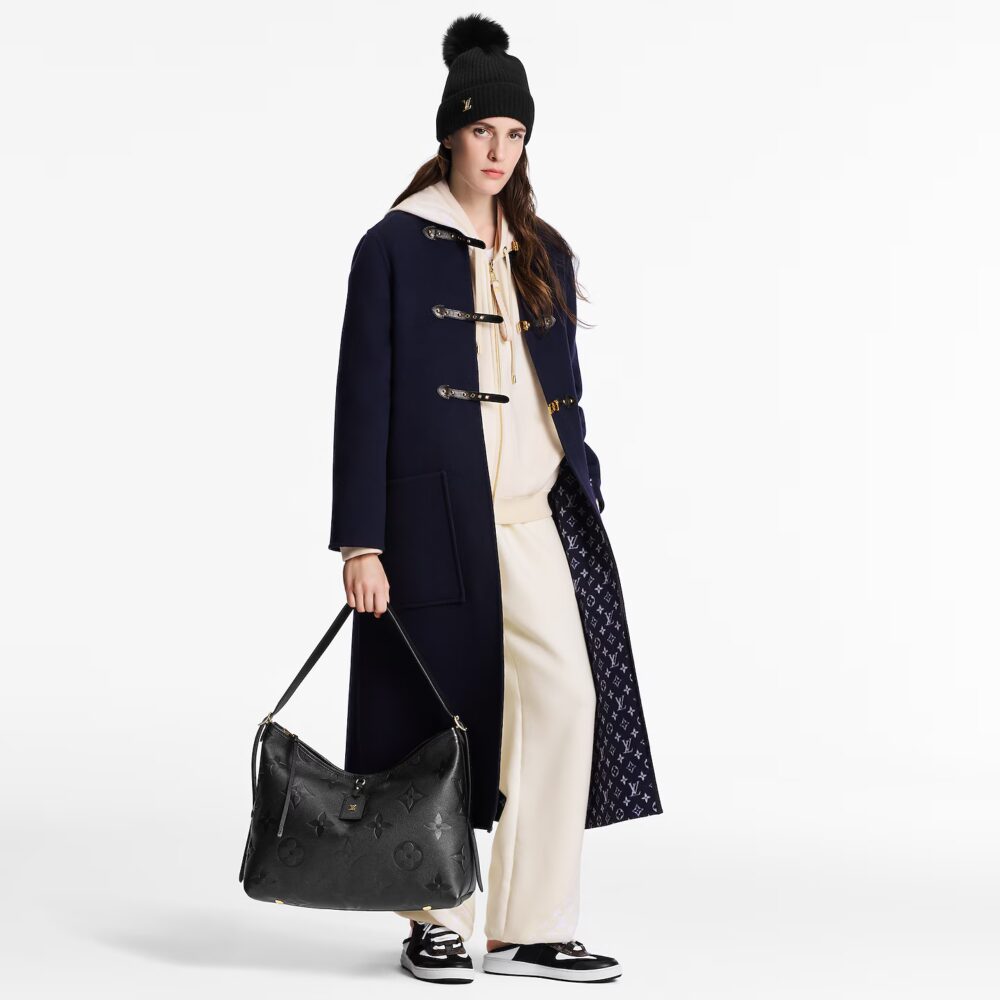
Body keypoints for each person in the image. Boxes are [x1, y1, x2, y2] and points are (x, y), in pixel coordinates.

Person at [329, 13, 662, 985]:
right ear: (451, 133)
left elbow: (564, 388)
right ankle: (432, 916)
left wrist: (579, 472)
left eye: (514, 134)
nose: (498, 150)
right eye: (483, 130)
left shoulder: (540, 248)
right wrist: (361, 541)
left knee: (565, 697)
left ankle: (529, 925)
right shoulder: (392, 247)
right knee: (434, 716)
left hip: (533, 518)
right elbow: (361, 399)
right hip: (431, 526)